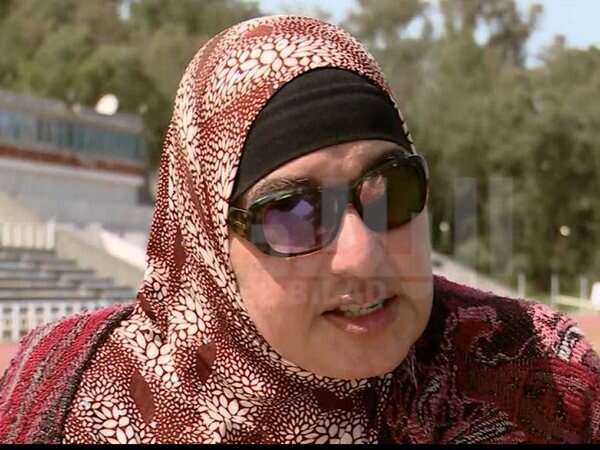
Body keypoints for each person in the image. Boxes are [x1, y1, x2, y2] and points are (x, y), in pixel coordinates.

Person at [1, 15, 599, 444]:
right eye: (292, 213)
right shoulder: (64, 406)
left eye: (390, 190)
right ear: (210, 246)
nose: (362, 255)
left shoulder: (541, 379)